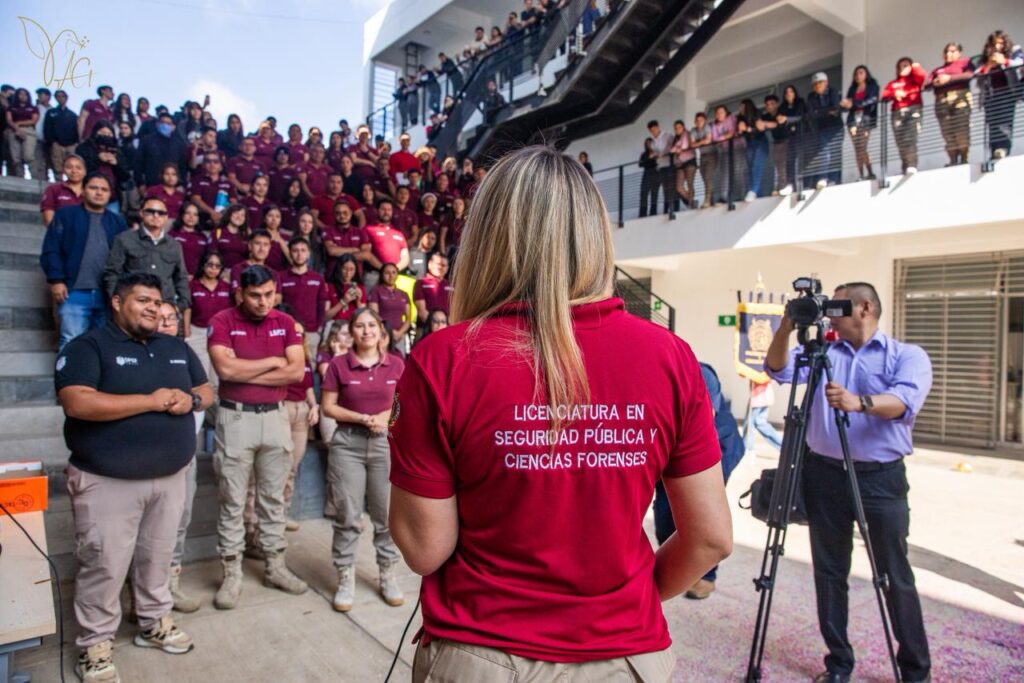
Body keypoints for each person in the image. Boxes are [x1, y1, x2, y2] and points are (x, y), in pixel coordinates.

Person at [388, 146, 731, 680]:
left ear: (486, 240)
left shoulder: (443, 360)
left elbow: (425, 550)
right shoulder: (671, 357)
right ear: (596, 237)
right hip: (627, 658)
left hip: (483, 654)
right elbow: (711, 538)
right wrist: (630, 601)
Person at [765, 281, 932, 683]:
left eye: (837, 306)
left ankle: (915, 670)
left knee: (894, 574)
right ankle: (838, 663)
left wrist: (859, 403)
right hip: (824, 475)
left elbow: (904, 402)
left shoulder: (906, 355)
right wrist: (786, 326)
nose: (829, 314)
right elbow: (777, 369)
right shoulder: (821, 353)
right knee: (829, 573)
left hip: (881, 480)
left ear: (865, 308)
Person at [55, 272, 213, 683]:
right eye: (143, 300)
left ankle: (153, 621)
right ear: (117, 302)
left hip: (170, 477)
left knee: (157, 556)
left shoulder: (175, 347)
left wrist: (192, 400)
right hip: (108, 480)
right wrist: (150, 401)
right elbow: (77, 402)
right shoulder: (88, 347)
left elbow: (205, 390)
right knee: (104, 564)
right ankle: (95, 644)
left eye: (157, 302)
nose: (153, 309)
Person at [207, 265, 309, 609]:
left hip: (276, 417)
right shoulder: (222, 321)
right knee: (233, 499)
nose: (263, 302)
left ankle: (275, 566)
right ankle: (232, 572)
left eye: (269, 294)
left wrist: (246, 371)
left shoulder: (285, 322)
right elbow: (225, 370)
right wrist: (273, 361)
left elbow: (296, 372)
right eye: (255, 295)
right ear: (240, 293)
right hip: (235, 417)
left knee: (273, 498)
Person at [320, 307, 406, 612]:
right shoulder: (338, 365)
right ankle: (345, 576)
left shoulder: (396, 364)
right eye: (360, 325)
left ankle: (388, 573)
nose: (366, 331)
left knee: (386, 515)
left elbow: (403, 405)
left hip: (384, 444)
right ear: (351, 331)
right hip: (348, 444)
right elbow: (328, 407)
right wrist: (361, 417)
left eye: (371, 325)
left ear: (381, 330)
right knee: (347, 515)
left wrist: (384, 418)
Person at [652, 362, 745, 599]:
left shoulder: (697, 373)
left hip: (715, 446)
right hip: (668, 447)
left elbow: (699, 427)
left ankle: (707, 576)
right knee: (664, 513)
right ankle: (685, 568)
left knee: (701, 514)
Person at [41, 173, 129, 349]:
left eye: (104, 189)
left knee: (105, 345)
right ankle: (68, 369)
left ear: (110, 194)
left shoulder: (118, 222)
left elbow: (125, 257)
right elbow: (52, 249)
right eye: (93, 188)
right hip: (74, 291)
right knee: (71, 341)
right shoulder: (65, 215)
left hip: (107, 294)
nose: (99, 192)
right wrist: (56, 280)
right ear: (83, 190)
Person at [102, 196, 191, 311]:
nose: (156, 215)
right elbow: (112, 273)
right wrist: (119, 304)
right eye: (150, 211)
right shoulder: (124, 239)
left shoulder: (174, 245)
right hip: (133, 308)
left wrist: (179, 306)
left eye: (161, 213)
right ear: (141, 213)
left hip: (163, 308)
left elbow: (181, 278)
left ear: (166, 217)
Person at [975, 30, 1023, 161]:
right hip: (990, 95)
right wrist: (989, 65)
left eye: (1001, 43)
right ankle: (994, 151)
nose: (997, 46)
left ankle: (1004, 149)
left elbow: (1020, 62)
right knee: (992, 124)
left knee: (1005, 122)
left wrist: (1004, 61)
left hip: (1007, 93)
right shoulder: (985, 57)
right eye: (994, 43)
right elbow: (977, 73)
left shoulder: (1014, 50)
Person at [281, 236, 330, 359]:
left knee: (310, 366)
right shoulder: (281, 277)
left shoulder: (318, 278)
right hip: (288, 330)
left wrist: (318, 328)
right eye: (295, 250)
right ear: (290, 253)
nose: (299, 254)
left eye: (303, 250)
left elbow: (321, 305)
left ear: (308, 254)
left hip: (311, 331)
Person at [927, 43, 974, 166]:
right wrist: (936, 82)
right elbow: (927, 84)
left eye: (952, 51)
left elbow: (970, 75)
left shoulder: (965, 63)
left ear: (959, 53)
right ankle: (953, 160)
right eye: (946, 52)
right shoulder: (938, 70)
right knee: (947, 132)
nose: (949, 54)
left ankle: (964, 158)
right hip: (942, 101)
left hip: (960, 98)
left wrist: (949, 79)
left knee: (961, 129)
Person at [882, 58, 927, 175]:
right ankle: (905, 165)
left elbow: (922, 76)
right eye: (901, 66)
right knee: (900, 141)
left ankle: (912, 164)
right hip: (897, 112)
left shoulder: (915, 80)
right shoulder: (893, 83)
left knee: (910, 138)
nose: (903, 68)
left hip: (913, 109)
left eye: (906, 65)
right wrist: (894, 93)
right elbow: (884, 94)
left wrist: (916, 67)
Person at [839, 65, 880, 181]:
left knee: (862, 147)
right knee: (857, 148)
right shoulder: (852, 89)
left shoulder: (873, 86)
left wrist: (855, 103)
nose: (858, 75)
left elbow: (872, 100)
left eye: (861, 73)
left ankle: (870, 172)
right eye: (856, 73)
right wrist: (844, 105)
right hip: (853, 120)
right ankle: (861, 174)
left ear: (866, 74)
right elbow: (848, 105)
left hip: (865, 119)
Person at [806, 72, 843, 188]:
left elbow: (836, 109)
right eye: (815, 84)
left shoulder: (832, 91)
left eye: (820, 82)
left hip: (836, 127)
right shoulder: (811, 97)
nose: (817, 85)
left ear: (826, 83)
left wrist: (819, 111)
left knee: (835, 152)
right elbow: (811, 114)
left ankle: (834, 179)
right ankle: (823, 178)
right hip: (821, 128)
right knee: (824, 152)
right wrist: (826, 111)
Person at [363, 199, 411, 289]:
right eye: (383, 209)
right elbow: (366, 253)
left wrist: (393, 271)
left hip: (395, 276)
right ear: (377, 211)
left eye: (389, 210)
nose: (386, 212)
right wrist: (384, 269)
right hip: (374, 275)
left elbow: (405, 257)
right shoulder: (368, 229)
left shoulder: (398, 233)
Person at [135, 112, 187, 192]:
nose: (165, 125)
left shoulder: (179, 143)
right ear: (157, 124)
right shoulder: (147, 140)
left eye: (168, 123)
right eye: (162, 122)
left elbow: (182, 166)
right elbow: (138, 163)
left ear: (174, 127)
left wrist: (181, 184)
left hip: (173, 188)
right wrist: (140, 183)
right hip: (151, 185)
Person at [369, 263, 413, 354]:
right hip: (381, 334)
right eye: (387, 273)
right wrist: (389, 331)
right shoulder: (376, 291)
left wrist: (400, 333)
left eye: (394, 272)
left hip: (399, 336)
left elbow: (408, 318)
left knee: (399, 359)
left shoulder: (403, 294)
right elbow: (374, 315)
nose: (391, 275)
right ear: (382, 275)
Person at [188, 153, 234, 227]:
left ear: (221, 166)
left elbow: (233, 201)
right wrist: (212, 212)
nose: (212, 164)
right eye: (208, 161)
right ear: (203, 165)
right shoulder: (196, 180)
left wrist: (222, 214)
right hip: (201, 221)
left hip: (223, 221)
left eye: (216, 161)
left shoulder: (228, 183)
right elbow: (195, 199)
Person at [40, 154, 85, 225]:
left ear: (85, 170)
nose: (74, 171)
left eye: (78, 168)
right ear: (64, 170)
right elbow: (49, 220)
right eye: (69, 167)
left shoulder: (91, 190)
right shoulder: (53, 190)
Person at [413, 251, 452, 330]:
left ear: (447, 268)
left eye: (443, 265)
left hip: (448, 329)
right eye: (438, 264)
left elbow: (456, 309)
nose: (440, 267)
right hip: (426, 329)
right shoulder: (421, 283)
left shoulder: (451, 285)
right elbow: (422, 311)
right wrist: (436, 326)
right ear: (430, 264)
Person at [44, 89, 79, 175]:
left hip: (71, 144)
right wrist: (52, 142)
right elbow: (47, 128)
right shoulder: (51, 112)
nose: (60, 98)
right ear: (55, 98)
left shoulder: (73, 115)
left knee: (71, 164)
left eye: (62, 96)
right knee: (57, 166)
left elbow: (77, 129)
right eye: (58, 96)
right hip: (57, 144)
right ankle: (59, 181)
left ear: (66, 98)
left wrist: (75, 143)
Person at [738, 99, 767, 201]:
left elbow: (760, 129)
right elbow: (740, 132)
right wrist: (741, 129)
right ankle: (759, 194)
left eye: (742, 106)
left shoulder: (757, 114)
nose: (740, 109)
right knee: (750, 168)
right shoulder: (740, 118)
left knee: (756, 166)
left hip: (760, 142)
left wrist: (748, 129)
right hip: (749, 143)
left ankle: (753, 191)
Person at [745, 379, 783, 453]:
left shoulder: (760, 373)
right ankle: (782, 445)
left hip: (758, 398)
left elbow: (763, 380)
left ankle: (748, 449)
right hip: (763, 398)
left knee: (750, 425)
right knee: (760, 424)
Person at [326, 254, 367, 322]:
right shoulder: (329, 287)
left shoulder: (360, 287)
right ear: (339, 268)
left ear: (356, 270)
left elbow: (364, 316)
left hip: (353, 324)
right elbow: (326, 316)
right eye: (345, 269)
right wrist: (344, 301)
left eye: (351, 270)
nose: (348, 273)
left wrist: (358, 301)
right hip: (334, 325)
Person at [647, 120, 676, 213]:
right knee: (665, 188)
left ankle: (675, 208)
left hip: (670, 164)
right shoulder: (652, 142)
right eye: (652, 130)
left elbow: (672, 147)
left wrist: (662, 153)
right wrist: (654, 155)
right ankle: (666, 209)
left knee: (672, 187)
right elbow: (655, 153)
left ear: (658, 127)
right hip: (661, 166)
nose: (654, 132)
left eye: (655, 129)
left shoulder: (667, 135)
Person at [710, 105, 738, 203]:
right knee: (725, 173)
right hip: (725, 150)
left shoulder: (731, 118)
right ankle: (723, 196)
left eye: (721, 112)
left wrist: (721, 138)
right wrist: (723, 137)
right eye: (717, 113)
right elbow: (714, 139)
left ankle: (741, 195)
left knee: (738, 171)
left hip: (737, 148)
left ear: (726, 113)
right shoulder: (714, 124)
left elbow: (731, 133)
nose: (719, 114)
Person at [209, 204, 249, 270]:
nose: (239, 217)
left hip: (240, 272)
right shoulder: (217, 232)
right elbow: (211, 255)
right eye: (236, 213)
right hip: (220, 271)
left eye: (242, 215)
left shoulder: (245, 236)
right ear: (229, 214)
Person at [688, 112, 715, 208]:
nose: (699, 122)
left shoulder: (707, 127)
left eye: (701, 120)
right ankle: (712, 200)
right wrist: (702, 141)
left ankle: (707, 201)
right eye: (697, 120)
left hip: (711, 155)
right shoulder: (693, 130)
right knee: (704, 178)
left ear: (705, 121)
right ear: (695, 121)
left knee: (708, 177)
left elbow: (708, 140)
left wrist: (698, 142)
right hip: (702, 156)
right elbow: (692, 145)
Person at [669, 121, 696, 208]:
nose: (678, 129)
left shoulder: (686, 134)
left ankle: (691, 204)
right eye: (676, 128)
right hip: (680, 164)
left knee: (690, 184)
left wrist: (678, 148)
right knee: (679, 187)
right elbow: (671, 150)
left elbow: (684, 145)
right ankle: (691, 202)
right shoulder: (676, 138)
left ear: (683, 127)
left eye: (679, 127)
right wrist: (678, 148)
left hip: (689, 161)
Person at [638, 137, 660, 217]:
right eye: (647, 144)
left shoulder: (657, 153)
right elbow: (640, 164)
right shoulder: (644, 154)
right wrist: (649, 158)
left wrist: (654, 157)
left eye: (650, 143)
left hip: (655, 173)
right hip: (647, 173)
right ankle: (642, 214)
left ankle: (653, 213)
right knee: (644, 193)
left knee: (654, 194)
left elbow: (659, 162)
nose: (648, 145)